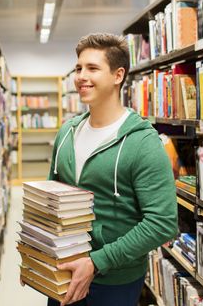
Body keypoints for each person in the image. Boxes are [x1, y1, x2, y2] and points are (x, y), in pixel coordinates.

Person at [46, 33, 178, 306]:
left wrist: (96, 262)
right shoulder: (67, 132)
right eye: (79, 68)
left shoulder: (143, 143)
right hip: (63, 271)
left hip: (114, 280)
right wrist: (38, 255)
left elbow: (162, 223)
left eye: (93, 68)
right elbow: (52, 199)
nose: (81, 76)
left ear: (118, 75)